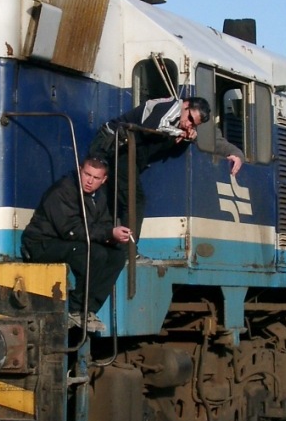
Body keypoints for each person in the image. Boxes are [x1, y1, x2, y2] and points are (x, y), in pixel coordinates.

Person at [87, 95, 243, 237]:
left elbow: (212, 141)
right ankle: (128, 249)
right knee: (132, 200)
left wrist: (235, 154)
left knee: (113, 199)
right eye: (189, 118)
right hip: (111, 145)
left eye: (193, 124)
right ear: (185, 105)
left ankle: (117, 245)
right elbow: (154, 127)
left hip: (123, 151)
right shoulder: (171, 107)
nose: (188, 124)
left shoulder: (182, 121)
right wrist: (178, 133)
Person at [21, 157, 132, 332]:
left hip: (69, 241)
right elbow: (70, 230)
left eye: (96, 178)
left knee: (117, 256)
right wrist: (108, 233)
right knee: (94, 254)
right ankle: (74, 309)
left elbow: (103, 224)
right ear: (80, 170)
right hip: (42, 243)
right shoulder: (62, 191)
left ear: (103, 180)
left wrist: (113, 237)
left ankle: (88, 309)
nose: (89, 181)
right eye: (87, 174)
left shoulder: (99, 196)